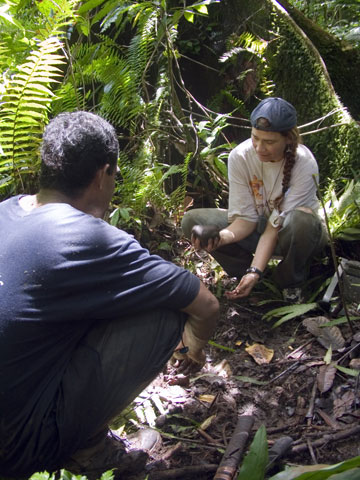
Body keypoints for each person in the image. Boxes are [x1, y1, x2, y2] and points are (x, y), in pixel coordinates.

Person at [0, 111, 219, 478]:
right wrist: (194, 346)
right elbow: (206, 304)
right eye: (114, 175)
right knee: (166, 311)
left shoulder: (6, 211)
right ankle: (85, 447)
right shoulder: (86, 236)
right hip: (17, 450)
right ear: (103, 174)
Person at [182, 97, 328, 303]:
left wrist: (255, 269)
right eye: (255, 138)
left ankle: (289, 281)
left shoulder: (304, 163)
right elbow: (245, 220)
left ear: (288, 139)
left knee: (300, 221)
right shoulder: (240, 157)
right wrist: (219, 237)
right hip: (260, 228)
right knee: (192, 220)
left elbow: (274, 228)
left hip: (298, 235)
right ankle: (247, 278)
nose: (259, 148)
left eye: (269, 142)